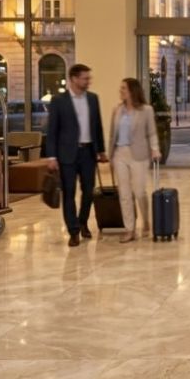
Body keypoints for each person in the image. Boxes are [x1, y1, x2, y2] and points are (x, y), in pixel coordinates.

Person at [46, 63, 107, 247]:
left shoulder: (93, 99)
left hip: (88, 152)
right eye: (85, 78)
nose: (88, 81)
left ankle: (82, 222)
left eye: (89, 78)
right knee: (69, 193)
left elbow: (97, 126)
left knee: (89, 192)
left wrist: (101, 150)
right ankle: (73, 231)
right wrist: (51, 157)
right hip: (67, 154)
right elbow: (52, 131)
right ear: (73, 79)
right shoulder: (59, 101)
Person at [108, 78, 160, 243]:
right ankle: (129, 229)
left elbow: (152, 132)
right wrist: (110, 155)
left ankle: (146, 220)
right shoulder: (117, 110)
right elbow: (112, 134)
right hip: (120, 154)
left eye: (124, 88)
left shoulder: (146, 110)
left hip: (139, 154)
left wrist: (155, 149)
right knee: (124, 193)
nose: (121, 91)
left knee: (139, 191)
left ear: (132, 91)